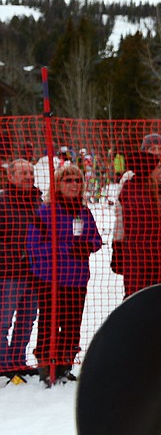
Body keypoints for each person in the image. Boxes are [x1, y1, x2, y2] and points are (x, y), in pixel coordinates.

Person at [27, 164, 103, 384]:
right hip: (51, 279)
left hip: (77, 278)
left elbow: (96, 240)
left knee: (72, 323)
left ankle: (65, 363)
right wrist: (65, 249)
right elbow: (33, 245)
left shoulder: (83, 212)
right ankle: (46, 364)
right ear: (58, 184)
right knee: (49, 322)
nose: (74, 185)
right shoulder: (46, 212)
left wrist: (85, 246)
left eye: (78, 180)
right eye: (68, 180)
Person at [112, 139, 161, 297]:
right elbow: (120, 215)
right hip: (142, 248)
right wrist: (118, 244)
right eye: (151, 148)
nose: (156, 151)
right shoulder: (130, 178)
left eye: (159, 148)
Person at [0, 159, 42, 378]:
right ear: (11, 177)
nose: (28, 177)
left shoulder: (38, 202)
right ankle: (3, 364)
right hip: (8, 272)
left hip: (33, 273)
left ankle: (18, 361)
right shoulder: (3, 201)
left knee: (27, 318)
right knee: (4, 319)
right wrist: (14, 253)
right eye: (23, 173)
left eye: (31, 174)